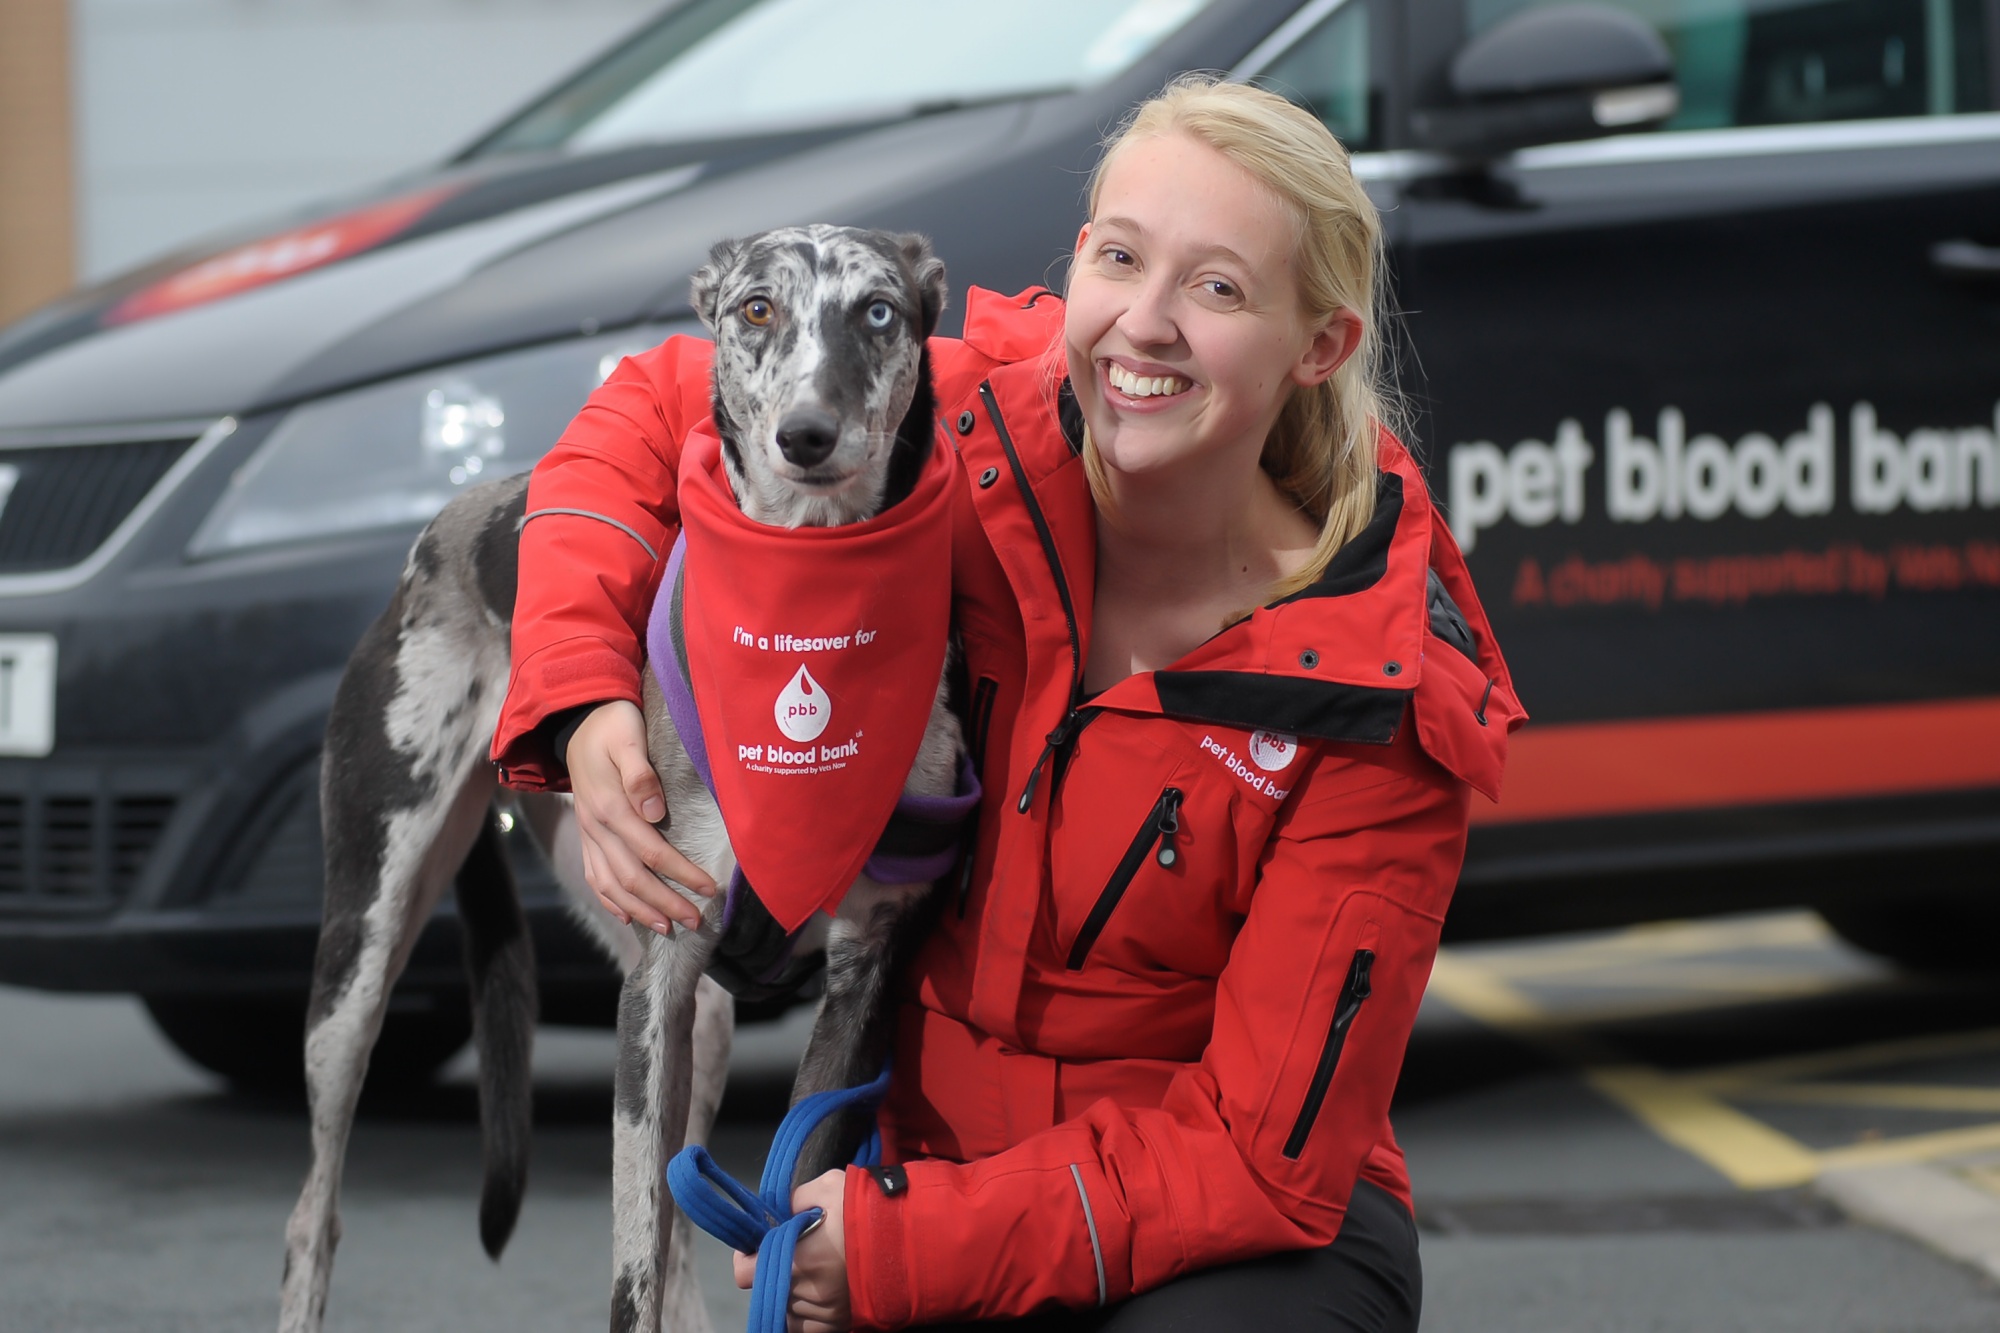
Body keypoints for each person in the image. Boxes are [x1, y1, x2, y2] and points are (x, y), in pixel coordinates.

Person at [491, 75, 1522, 1333]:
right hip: (914, 1170)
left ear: (1318, 347)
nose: (1142, 326)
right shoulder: (976, 424)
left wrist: (902, 1251)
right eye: (1118, 257)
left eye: (1215, 288)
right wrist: (584, 694)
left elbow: (1261, 1160)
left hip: (1220, 1238)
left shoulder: (1373, 694)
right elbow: (646, 407)